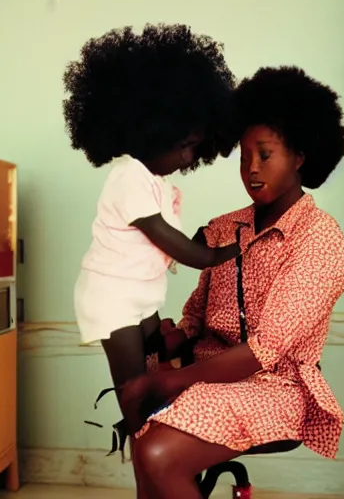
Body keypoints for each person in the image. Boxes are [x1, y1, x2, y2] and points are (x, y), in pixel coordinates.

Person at [119, 66, 344, 499]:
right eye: (243, 156)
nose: (251, 168)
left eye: (264, 154)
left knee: (157, 453)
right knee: (143, 436)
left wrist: (168, 382)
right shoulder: (225, 229)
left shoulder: (321, 241)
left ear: (299, 157)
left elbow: (264, 350)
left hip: (273, 388)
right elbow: (196, 315)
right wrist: (171, 340)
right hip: (205, 378)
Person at [62, 24, 242, 438]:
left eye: (194, 146)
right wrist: (219, 255)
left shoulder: (156, 182)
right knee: (134, 388)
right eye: (182, 145)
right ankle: (145, 450)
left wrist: (204, 239)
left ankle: (156, 442)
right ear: (149, 131)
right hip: (112, 298)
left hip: (140, 296)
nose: (189, 155)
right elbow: (171, 243)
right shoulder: (128, 176)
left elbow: (163, 246)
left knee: (156, 367)